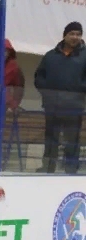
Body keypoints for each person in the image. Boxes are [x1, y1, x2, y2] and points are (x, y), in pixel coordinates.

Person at [34, 21, 86, 174]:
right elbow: (39, 76)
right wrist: (47, 90)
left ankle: (71, 168)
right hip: (52, 105)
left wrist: (78, 88)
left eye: (78, 34)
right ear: (65, 35)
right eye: (72, 34)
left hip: (74, 106)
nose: (75, 37)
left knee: (72, 139)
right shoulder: (51, 56)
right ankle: (48, 167)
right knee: (51, 138)